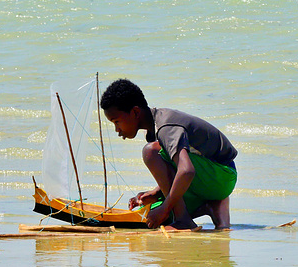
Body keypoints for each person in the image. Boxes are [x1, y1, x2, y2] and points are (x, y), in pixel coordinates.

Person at [100, 79, 237, 231]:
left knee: (150, 152)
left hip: (221, 174)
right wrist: (156, 193)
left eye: (116, 121)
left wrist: (165, 208)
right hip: (208, 181)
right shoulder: (154, 131)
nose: (117, 129)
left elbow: (186, 170)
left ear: (135, 112)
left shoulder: (165, 127)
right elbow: (178, 168)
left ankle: (183, 221)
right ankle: (211, 207)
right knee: (149, 214)